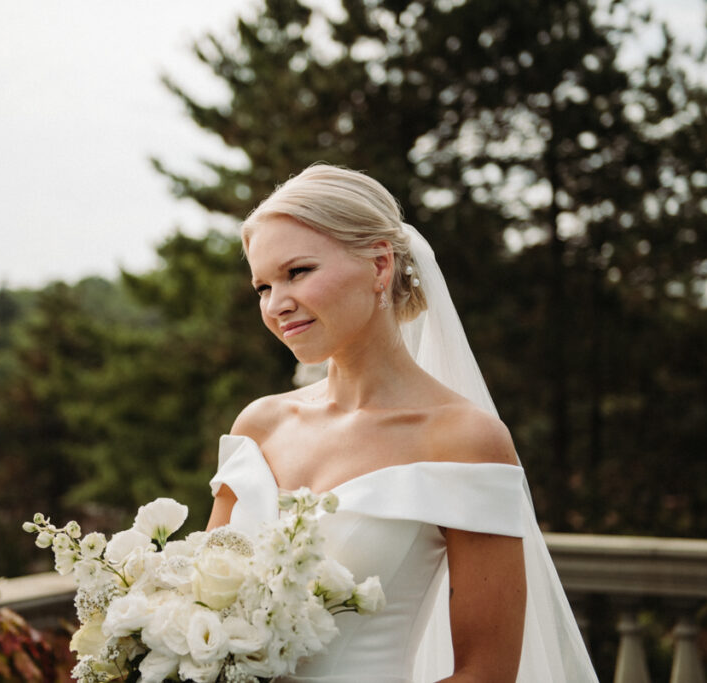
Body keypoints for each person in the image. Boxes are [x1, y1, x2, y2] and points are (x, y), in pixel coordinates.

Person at [207, 165, 597, 682]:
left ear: (379, 266)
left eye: (297, 272)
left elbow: (486, 673)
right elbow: (197, 606)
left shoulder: (463, 440)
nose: (277, 305)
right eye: (262, 286)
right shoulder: (260, 425)